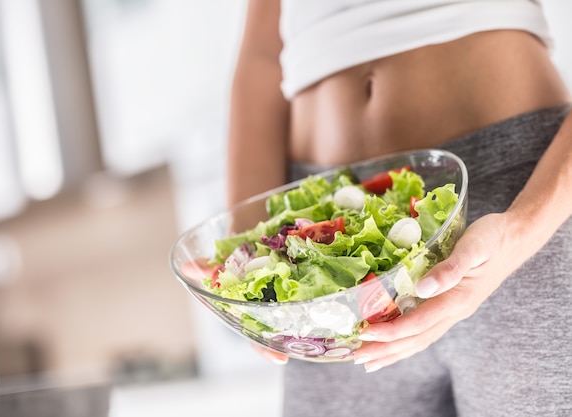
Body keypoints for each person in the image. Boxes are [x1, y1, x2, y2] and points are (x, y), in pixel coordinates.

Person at [226, 1, 572, 416]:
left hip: (519, 202)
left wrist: (521, 231)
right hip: (323, 261)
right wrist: (248, 254)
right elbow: (263, 52)